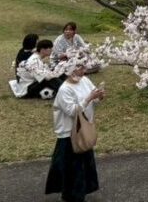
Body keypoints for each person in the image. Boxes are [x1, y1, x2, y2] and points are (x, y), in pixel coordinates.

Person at [45, 62, 104, 202]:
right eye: (80, 68)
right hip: (69, 132)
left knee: (84, 161)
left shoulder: (84, 80)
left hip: (83, 129)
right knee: (71, 165)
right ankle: (70, 195)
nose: (84, 70)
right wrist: (89, 98)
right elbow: (72, 111)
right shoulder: (65, 89)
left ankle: (83, 190)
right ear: (71, 70)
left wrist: (99, 96)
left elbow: (93, 96)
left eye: (84, 67)